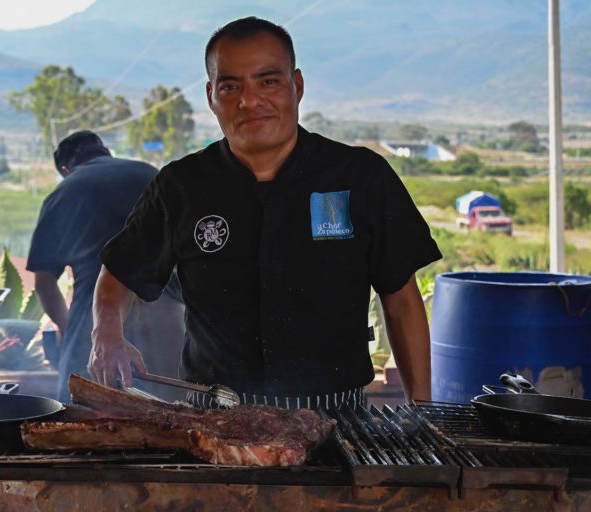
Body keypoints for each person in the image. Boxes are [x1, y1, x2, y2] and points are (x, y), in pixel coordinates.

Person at [89, 17, 442, 408]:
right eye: (230, 86)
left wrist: (421, 409)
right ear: (211, 96)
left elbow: (402, 300)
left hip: (337, 416)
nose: (250, 100)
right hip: (215, 416)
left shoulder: (361, 176)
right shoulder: (181, 186)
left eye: (268, 81)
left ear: (298, 86)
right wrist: (107, 336)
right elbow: (118, 273)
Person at [27, 130, 185, 402]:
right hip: (165, 306)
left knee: (81, 412)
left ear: (66, 169)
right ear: (106, 153)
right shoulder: (149, 173)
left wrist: (68, 328)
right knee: (175, 412)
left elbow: (44, 282)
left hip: (96, 311)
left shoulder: (63, 192)